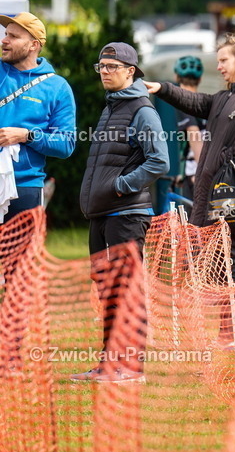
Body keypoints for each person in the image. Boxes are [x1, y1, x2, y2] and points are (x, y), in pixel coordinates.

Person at [72, 43, 169, 383]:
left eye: (113, 66)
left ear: (131, 72)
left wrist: (121, 186)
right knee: (106, 291)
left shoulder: (142, 110)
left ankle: (130, 368)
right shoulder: (111, 108)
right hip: (102, 215)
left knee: (127, 290)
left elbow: (160, 161)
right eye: (101, 65)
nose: (105, 71)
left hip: (126, 215)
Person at [145, 33, 235, 286]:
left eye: (224, 60)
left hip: (231, 192)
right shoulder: (223, 97)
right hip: (209, 191)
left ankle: (234, 325)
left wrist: (223, 162)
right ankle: (227, 324)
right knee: (213, 266)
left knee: (230, 261)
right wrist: (163, 89)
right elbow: (196, 101)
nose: (218, 67)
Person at [0, 12, 76, 373]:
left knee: (17, 272)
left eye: (13, 35)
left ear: (34, 45)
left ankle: (11, 354)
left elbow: (66, 145)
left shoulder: (57, 87)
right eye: (5, 33)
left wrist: (26, 135)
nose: (4, 39)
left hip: (25, 188)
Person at [171, 55, 206, 200]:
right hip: (198, 169)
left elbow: (194, 136)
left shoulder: (184, 102)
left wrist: (202, 174)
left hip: (196, 174)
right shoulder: (204, 102)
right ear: (200, 79)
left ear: (176, 76)